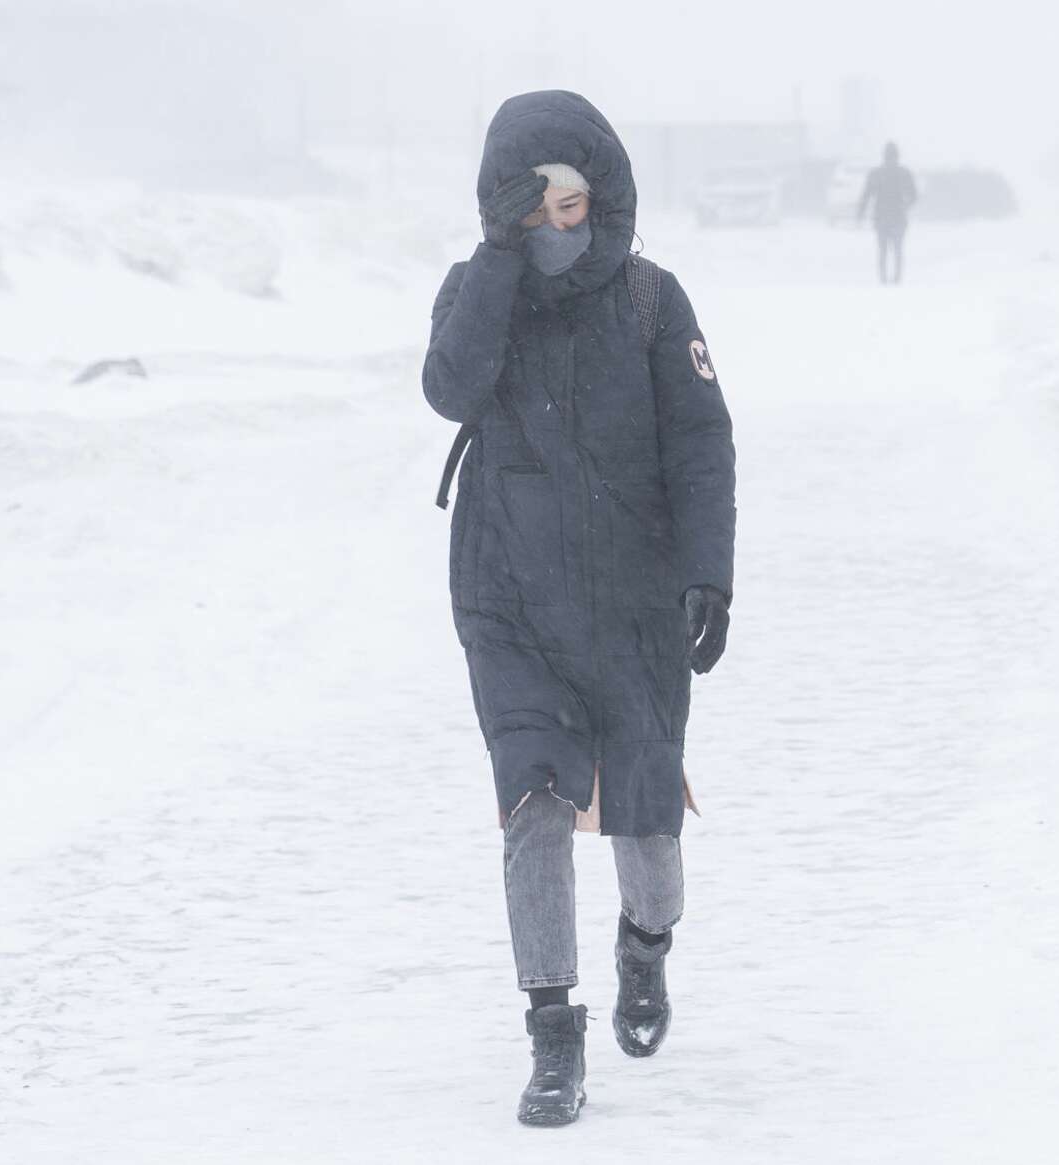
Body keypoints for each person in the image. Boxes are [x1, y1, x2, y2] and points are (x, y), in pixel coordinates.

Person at [422, 90, 737, 1128]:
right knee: (535, 808)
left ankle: (644, 948)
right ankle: (552, 1036)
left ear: (603, 200)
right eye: (535, 207)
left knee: (644, 830)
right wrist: (497, 267)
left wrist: (707, 573)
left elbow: (698, 443)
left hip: (632, 600)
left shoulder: (652, 300)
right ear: (503, 208)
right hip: (508, 601)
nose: (558, 227)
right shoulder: (476, 291)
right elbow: (448, 388)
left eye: (573, 205)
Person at [857, 141, 919, 284]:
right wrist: (906, 205)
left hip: (881, 217)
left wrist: (860, 213)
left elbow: (866, 195)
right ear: (897, 155)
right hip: (898, 217)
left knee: (883, 250)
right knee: (897, 249)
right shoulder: (904, 173)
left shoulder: (876, 174)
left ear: (883, 155)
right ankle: (896, 278)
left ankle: (884, 279)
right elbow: (914, 196)